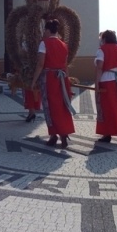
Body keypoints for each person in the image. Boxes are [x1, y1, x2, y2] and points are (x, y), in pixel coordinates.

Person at [31, 19, 76, 148]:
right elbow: (65, 65)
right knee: (62, 106)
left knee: (50, 106)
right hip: (62, 78)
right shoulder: (64, 45)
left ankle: (53, 135)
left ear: (47, 30)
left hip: (49, 78)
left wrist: (34, 80)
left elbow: (40, 64)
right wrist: (67, 80)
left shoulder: (43, 44)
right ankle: (63, 133)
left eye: (44, 30)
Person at [95, 30, 117, 142]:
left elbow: (100, 67)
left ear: (104, 39)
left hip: (106, 80)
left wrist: (97, 83)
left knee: (106, 107)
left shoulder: (102, 50)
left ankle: (107, 132)